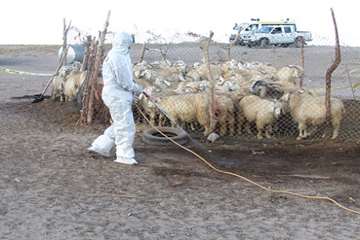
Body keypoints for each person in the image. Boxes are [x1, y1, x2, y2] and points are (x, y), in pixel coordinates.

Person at [88, 32, 148, 165]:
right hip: (117, 96)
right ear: (124, 42)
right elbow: (124, 82)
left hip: (117, 95)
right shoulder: (117, 57)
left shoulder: (119, 55)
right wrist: (139, 89)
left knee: (120, 123)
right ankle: (124, 156)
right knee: (125, 126)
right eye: (129, 43)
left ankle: (100, 146)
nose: (130, 47)